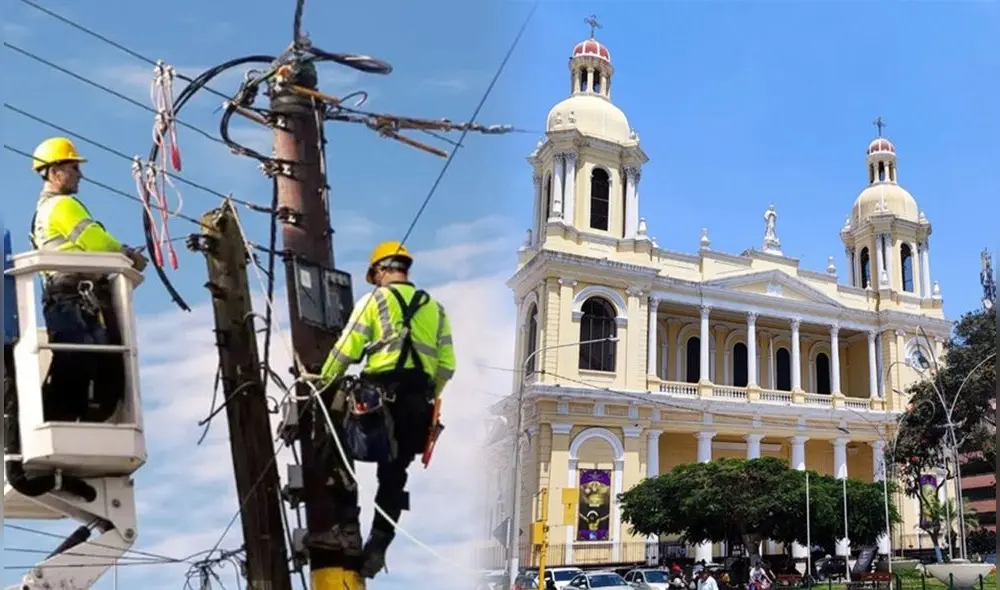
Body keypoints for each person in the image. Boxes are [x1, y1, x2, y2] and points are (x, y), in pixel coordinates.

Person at [313, 239, 456, 581]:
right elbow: (447, 365)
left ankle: (341, 524)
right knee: (393, 478)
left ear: (379, 271)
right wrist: (426, 396)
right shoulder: (435, 308)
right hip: (418, 408)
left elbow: (347, 348)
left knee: (331, 439)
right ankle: (377, 546)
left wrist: (320, 384)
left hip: (376, 403)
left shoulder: (374, 301)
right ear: (404, 269)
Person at [29, 137, 147, 423]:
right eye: (73, 167)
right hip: (73, 299)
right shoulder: (62, 205)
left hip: (65, 299)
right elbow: (96, 242)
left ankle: (67, 421)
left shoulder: (44, 211)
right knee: (84, 362)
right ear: (55, 172)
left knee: (82, 364)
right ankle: (64, 421)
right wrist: (128, 255)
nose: (80, 174)